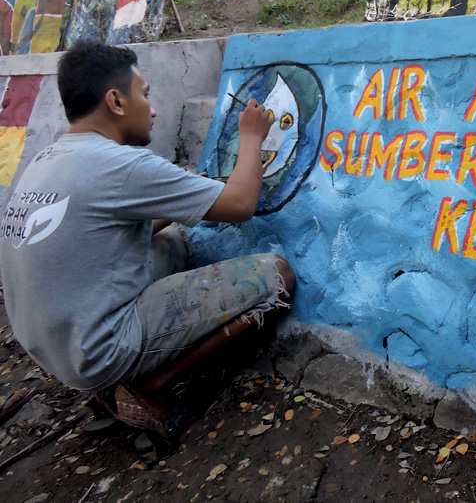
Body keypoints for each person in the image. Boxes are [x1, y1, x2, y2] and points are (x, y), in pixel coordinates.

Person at [0, 39, 296, 449]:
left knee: (181, 238)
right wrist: (251, 136)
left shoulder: (48, 158)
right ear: (116, 102)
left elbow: (112, 227)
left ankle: (117, 379)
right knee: (276, 276)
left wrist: (185, 198)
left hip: (50, 346)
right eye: (145, 94)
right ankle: (145, 386)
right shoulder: (123, 165)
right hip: (98, 350)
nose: (153, 109)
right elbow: (242, 204)